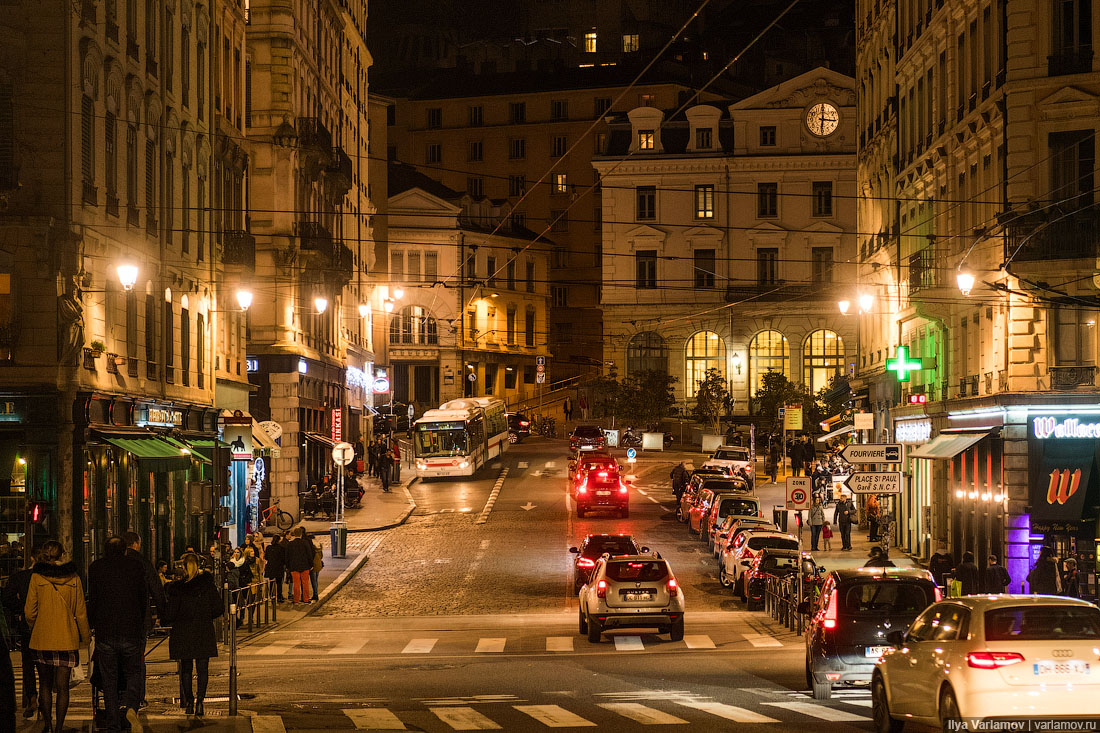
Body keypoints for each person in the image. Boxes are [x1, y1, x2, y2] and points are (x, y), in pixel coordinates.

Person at [25, 540, 90, 733]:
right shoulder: (73, 578)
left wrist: (37, 627)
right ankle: (60, 727)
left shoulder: (37, 577)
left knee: (44, 683)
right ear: (62, 554)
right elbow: (81, 612)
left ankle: (48, 724)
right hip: (66, 637)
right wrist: (85, 638)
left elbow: (29, 612)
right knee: (63, 686)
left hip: (43, 637)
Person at [88, 536, 148, 733]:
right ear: (125, 550)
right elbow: (142, 597)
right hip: (131, 629)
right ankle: (131, 707)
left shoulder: (96, 568)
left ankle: (113, 722)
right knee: (133, 672)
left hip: (106, 632)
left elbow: (94, 599)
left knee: (109, 680)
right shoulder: (136, 566)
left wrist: (92, 623)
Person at [165, 553, 222, 717]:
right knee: (202, 668)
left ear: (183, 567)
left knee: (186, 668)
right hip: (203, 630)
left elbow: (170, 613)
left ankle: (189, 701)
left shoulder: (178, 589)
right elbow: (218, 608)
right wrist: (205, 615)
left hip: (183, 631)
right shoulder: (207, 585)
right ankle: (200, 702)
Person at [123, 531, 166, 710]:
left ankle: (120, 698)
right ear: (135, 544)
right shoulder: (142, 563)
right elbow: (156, 588)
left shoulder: (110, 563)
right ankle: (137, 698)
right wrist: (164, 613)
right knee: (138, 659)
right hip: (139, 620)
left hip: (114, 622)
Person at [2, 546, 39, 720]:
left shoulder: (21, 577)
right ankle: (41, 701)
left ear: (31, 557)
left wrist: (21, 610)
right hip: (46, 626)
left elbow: (7, 598)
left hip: (27, 626)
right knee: (45, 667)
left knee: (28, 664)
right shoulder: (50, 577)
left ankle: (32, 697)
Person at [285, 528, 314, 604]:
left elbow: (287, 556)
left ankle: (296, 599)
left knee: (296, 584)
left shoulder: (290, 544)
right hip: (305, 566)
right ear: (301, 534)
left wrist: (288, 566)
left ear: (294, 534)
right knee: (305, 583)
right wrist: (311, 564)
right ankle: (306, 599)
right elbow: (309, 554)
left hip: (294, 566)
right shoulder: (305, 543)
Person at [264, 535, 286, 603]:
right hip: (279, 567)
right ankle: (279, 597)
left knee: (271, 582)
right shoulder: (281, 548)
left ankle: (272, 596)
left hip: (271, 567)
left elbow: (266, 557)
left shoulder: (269, 547)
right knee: (279, 583)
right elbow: (283, 558)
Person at [309, 534, 323, 602]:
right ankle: (316, 593)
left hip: (313, 565)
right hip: (318, 564)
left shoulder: (312, 547)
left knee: (313, 580)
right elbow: (321, 556)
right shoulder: (319, 545)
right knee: (316, 580)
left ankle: (315, 594)